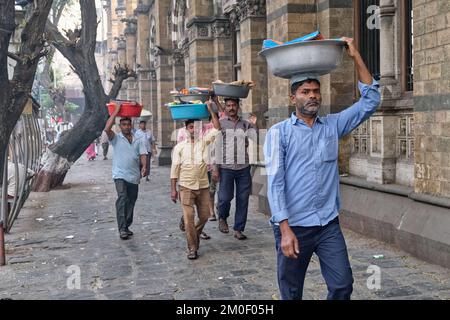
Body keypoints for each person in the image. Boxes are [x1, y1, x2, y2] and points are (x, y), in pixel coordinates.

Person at [263, 37, 381, 300]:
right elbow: (276, 183)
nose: (312, 96)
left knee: (342, 285)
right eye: (305, 91)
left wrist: (356, 55)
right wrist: (284, 229)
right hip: (294, 226)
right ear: (292, 97)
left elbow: (370, 100)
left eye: (316, 91)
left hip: (327, 224)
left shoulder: (333, 126)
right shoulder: (278, 134)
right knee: (291, 293)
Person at [170, 101, 220, 259]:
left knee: (205, 215)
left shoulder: (204, 142)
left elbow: (217, 128)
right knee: (189, 217)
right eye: (191, 127)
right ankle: (192, 247)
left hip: (203, 186)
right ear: (186, 129)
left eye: (196, 127)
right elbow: (174, 169)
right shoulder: (179, 147)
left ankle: (194, 235)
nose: (194, 130)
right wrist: (173, 189)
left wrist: (212, 110)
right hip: (185, 187)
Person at [212, 97, 257, 240]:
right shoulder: (221, 124)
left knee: (243, 199)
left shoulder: (245, 124)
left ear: (238, 107)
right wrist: (215, 168)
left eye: (234, 105)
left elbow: (256, 139)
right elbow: (215, 147)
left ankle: (239, 228)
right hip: (226, 167)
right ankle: (222, 217)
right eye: (228, 105)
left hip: (243, 167)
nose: (231, 107)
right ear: (225, 107)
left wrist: (255, 125)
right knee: (224, 198)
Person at [104, 103, 148, 240]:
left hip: (134, 176)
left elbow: (143, 154)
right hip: (119, 175)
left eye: (128, 125)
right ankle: (122, 228)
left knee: (131, 201)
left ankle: (127, 225)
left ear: (131, 125)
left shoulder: (138, 139)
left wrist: (145, 166)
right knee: (122, 198)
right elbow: (106, 129)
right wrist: (116, 112)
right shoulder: (116, 138)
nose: (126, 127)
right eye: (123, 125)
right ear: (120, 126)